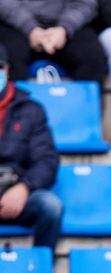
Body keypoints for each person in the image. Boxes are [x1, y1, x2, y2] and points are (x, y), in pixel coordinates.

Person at [0, 48, 62, 251]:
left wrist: (23, 188)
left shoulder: (31, 110)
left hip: (16, 189)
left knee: (50, 207)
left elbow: (46, 160)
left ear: (7, 69)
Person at [0, 0, 106, 83]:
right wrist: (30, 28)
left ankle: (85, 109)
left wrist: (64, 28)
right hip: (16, 23)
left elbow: (86, 4)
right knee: (7, 58)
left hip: (67, 25)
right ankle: (14, 108)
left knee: (92, 57)